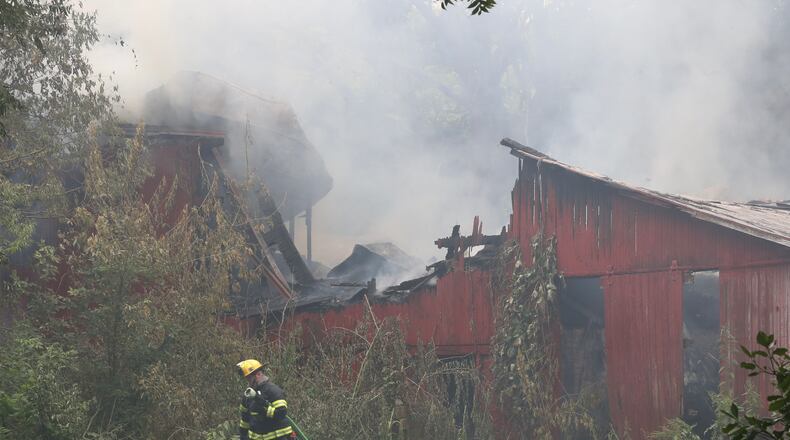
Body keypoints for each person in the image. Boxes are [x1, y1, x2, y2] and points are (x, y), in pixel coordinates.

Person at [236, 359, 294, 440]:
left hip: (279, 437)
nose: (248, 382)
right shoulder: (248, 396)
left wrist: (264, 410)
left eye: (249, 378)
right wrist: (243, 436)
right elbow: (245, 419)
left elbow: (281, 412)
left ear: (258, 374)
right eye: (246, 379)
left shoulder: (272, 390)